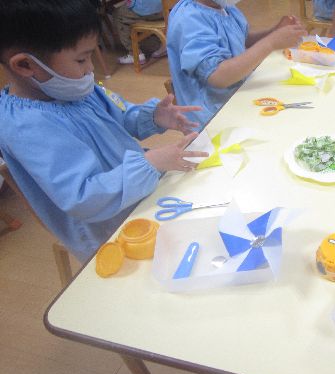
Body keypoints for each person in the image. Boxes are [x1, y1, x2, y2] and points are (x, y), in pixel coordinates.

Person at [0, 0, 207, 262]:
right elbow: (83, 198)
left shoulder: (73, 86)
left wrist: (154, 116)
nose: (90, 68)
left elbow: (120, 115)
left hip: (143, 195)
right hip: (111, 234)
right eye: (81, 59)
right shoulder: (26, 128)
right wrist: (150, 163)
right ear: (25, 65)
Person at [167, 0, 307, 126]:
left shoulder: (223, 7)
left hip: (239, 95)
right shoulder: (190, 20)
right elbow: (218, 76)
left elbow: (241, 40)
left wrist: (273, 33)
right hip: (212, 119)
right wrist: (270, 42)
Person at [113, 0, 166, 65]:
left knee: (118, 14)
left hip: (148, 8)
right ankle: (164, 44)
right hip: (167, 7)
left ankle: (135, 54)